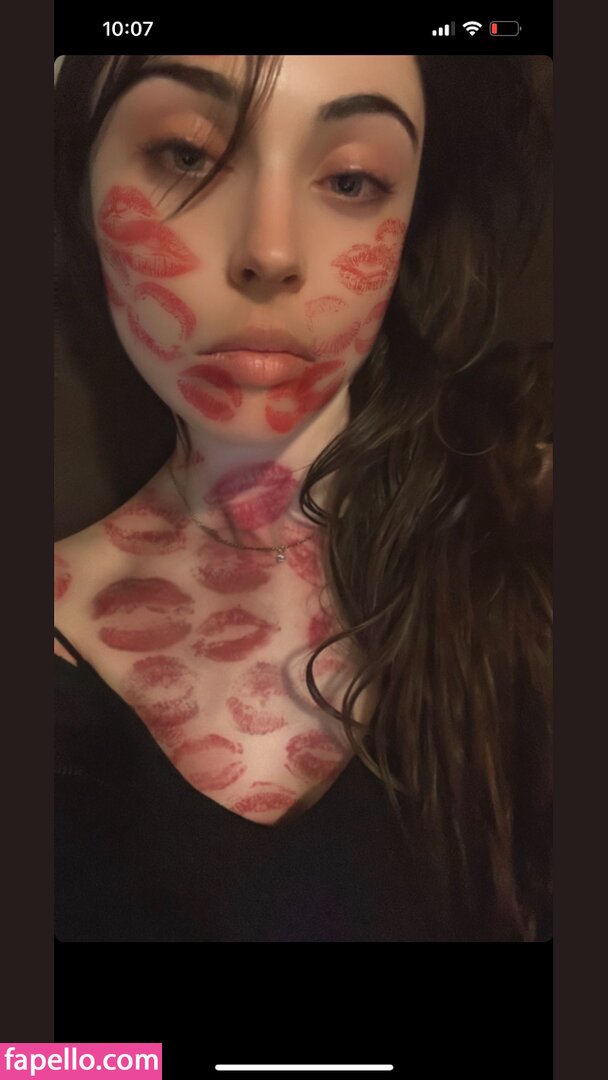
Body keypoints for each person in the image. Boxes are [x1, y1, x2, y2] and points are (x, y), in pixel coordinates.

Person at [54, 55, 552, 942]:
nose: (272, 253)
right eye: (187, 156)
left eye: (353, 179)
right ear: (81, 199)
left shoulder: (532, 535)